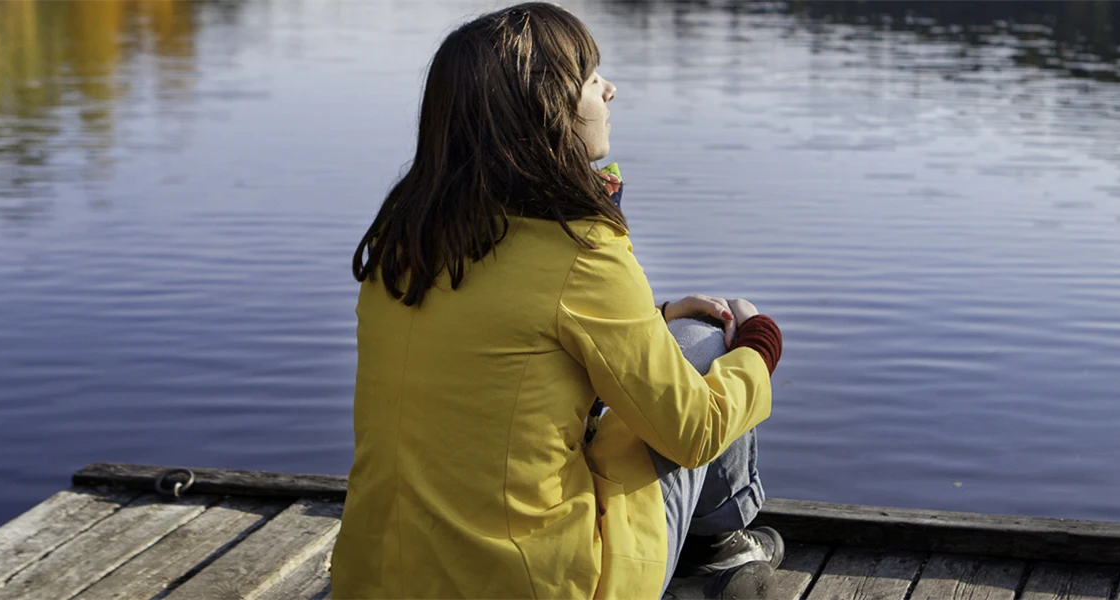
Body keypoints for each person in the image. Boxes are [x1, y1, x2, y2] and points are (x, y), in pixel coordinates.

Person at [331, 3, 785, 599]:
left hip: (376, 581)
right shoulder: (579, 247)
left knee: (670, 340)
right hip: (534, 586)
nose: (610, 90)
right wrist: (757, 347)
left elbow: (508, 348)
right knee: (705, 344)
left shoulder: (403, 237)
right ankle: (717, 553)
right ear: (547, 110)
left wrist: (653, 318)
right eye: (592, 79)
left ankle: (715, 549)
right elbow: (694, 432)